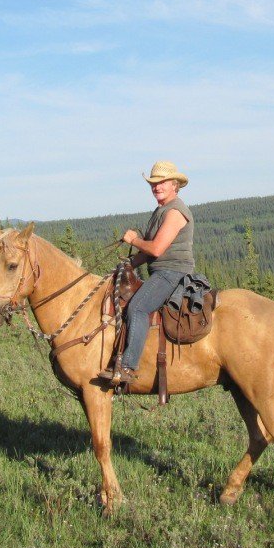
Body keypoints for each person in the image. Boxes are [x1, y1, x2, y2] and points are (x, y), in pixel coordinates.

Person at [100, 160, 195, 384]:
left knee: (138, 307)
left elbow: (157, 248)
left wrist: (134, 240)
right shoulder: (160, 210)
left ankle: (128, 367)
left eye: (161, 182)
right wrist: (128, 265)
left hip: (173, 272)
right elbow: (148, 252)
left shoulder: (176, 211)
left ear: (174, 184)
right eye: (153, 183)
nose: (156, 187)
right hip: (161, 270)